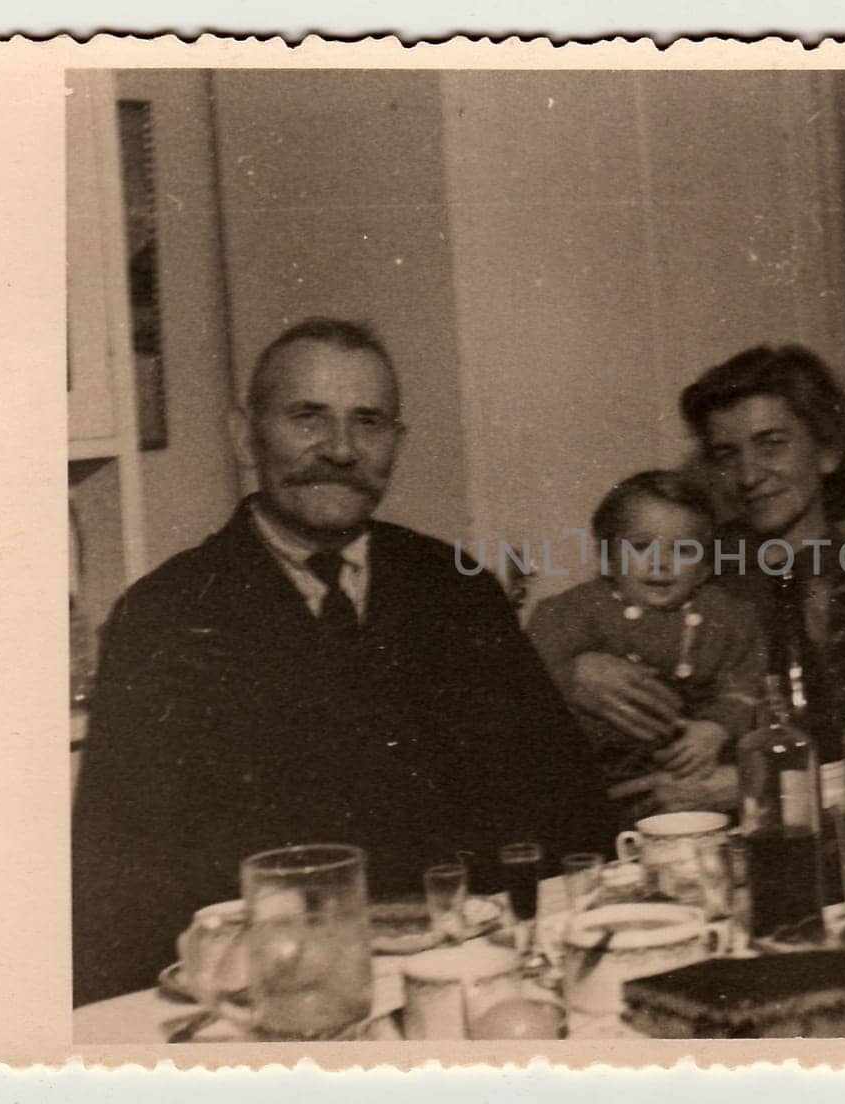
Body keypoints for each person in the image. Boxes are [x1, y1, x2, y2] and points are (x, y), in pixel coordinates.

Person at [71, 319, 616, 1005]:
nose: (340, 449)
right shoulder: (167, 616)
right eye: (307, 418)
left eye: (369, 422)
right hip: (278, 1006)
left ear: (398, 444)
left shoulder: (456, 588)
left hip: (470, 978)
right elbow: (117, 895)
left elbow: (572, 811)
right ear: (245, 436)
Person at [561, 346, 845, 758]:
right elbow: (586, 619)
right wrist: (573, 671)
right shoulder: (687, 560)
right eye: (727, 454)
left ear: (828, 450)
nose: (749, 475)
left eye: (771, 444)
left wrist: (744, 782)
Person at [526, 470, 764, 822]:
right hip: (596, 781)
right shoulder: (576, 610)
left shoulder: (725, 616)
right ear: (607, 559)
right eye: (640, 547)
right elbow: (529, 669)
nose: (660, 563)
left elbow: (747, 678)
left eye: (683, 551)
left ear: (703, 569)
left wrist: (717, 728)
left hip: (688, 777)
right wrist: (567, 672)